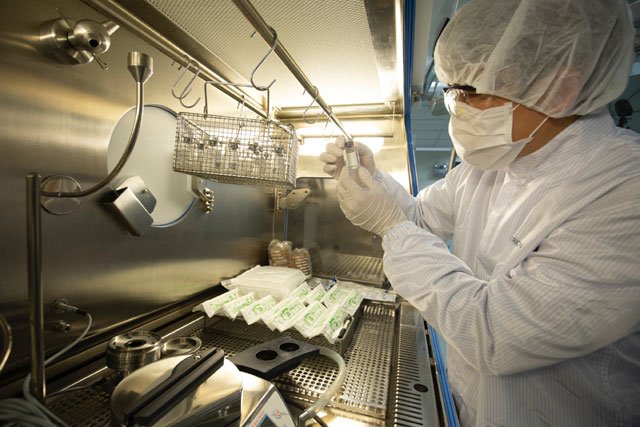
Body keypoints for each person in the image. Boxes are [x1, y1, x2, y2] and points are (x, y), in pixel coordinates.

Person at [320, 0, 640, 425]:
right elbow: (418, 220)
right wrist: (372, 178)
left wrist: (388, 224)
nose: (460, 106)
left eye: (475, 90)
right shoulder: (488, 166)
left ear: (560, 88)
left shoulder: (623, 189)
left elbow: (495, 334)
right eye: (455, 91)